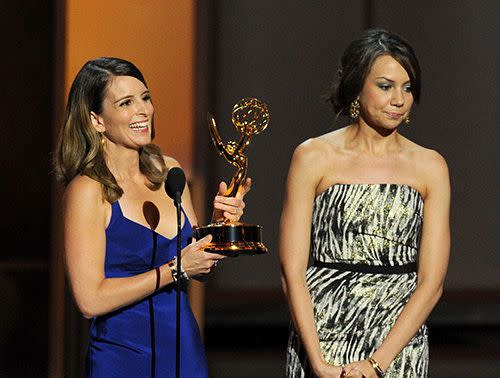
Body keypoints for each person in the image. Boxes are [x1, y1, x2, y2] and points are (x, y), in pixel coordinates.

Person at [54, 57, 251, 377]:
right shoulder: (88, 190)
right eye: (126, 103)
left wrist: (219, 223)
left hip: (183, 350)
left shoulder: (169, 171)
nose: (143, 110)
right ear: (97, 120)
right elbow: (90, 300)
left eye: (145, 98)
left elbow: (197, 269)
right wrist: (176, 269)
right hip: (123, 356)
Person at [280, 29, 450, 378]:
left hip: (398, 342)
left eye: (407, 87)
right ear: (357, 86)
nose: (399, 100)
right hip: (322, 334)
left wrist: (378, 363)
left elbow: (431, 282)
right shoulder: (313, 157)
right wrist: (318, 361)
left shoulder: (430, 166)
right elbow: (292, 271)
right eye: (386, 86)